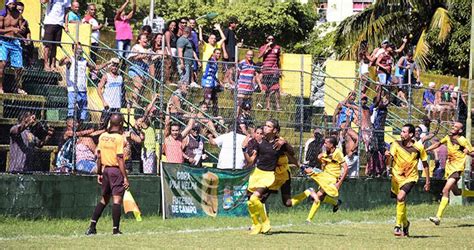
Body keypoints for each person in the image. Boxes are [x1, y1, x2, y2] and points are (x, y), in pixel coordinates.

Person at [244, 119, 294, 234]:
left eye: (268, 126)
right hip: (256, 173)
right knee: (249, 202)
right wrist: (244, 150)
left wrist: (284, 142)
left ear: (275, 130)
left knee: (254, 198)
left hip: (268, 175)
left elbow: (291, 153)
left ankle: (265, 222)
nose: (265, 128)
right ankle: (256, 225)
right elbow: (251, 160)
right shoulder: (260, 141)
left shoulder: (279, 143)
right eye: (265, 125)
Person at [85, 113, 129, 235]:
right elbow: (120, 158)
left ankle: (92, 227)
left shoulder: (103, 136)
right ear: (120, 124)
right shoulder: (120, 138)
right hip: (115, 171)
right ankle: (115, 230)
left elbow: (98, 156)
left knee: (104, 199)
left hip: (105, 170)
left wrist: (99, 172)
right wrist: (125, 177)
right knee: (117, 200)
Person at [386, 124, 430, 237]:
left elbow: (425, 164)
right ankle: (406, 224)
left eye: (404, 132)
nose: (401, 133)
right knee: (400, 201)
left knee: (400, 197)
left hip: (411, 177)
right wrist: (387, 158)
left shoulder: (419, 148)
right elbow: (389, 159)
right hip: (396, 178)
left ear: (411, 134)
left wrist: (427, 181)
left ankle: (397, 226)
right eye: (401, 131)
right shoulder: (395, 144)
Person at [426, 122, 474, 226]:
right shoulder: (448, 137)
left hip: (457, 169)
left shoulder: (463, 140)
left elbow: (472, 152)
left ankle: (438, 217)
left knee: (445, 190)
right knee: (456, 192)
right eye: (453, 126)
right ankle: (472, 193)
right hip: (449, 169)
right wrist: (427, 149)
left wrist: (467, 151)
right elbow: (438, 144)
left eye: (456, 127)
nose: (453, 127)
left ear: (460, 130)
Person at [303, 136, 347, 223]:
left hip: (332, 178)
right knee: (321, 197)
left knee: (318, 196)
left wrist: (339, 183)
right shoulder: (326, 152)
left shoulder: (338, 153)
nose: (324, 144)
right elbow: (326, 162)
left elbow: (346, 168)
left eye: (326, 143)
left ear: (332, 145)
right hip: (325, 176)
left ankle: (308, 220)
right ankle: (336, 203)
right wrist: (321, 159)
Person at [59, 43, 108, 121]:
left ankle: (80, 127)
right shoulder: (70, 59)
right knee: (72, 110)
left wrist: (108, 63)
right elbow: (61, 63)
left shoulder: (84, 61)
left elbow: (96, 67)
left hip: (83, 90)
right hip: (73, 90)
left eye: (80, 49)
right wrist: (62, 59)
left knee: (83, 113)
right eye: (77, 49)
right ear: (73, 50)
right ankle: (71, 127)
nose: (79, 51)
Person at [0, 0, 26, 94]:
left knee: (19, 68)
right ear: (6, 4)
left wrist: (21, 30)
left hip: (15, 42)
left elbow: (19, 30)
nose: (12, 6)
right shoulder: (2, 15)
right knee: (2, 65)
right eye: (10, 4)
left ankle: (18, 87)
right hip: (4, 41)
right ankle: (0, 87)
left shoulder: (18, 15)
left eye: (13, 4)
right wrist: (11, 29)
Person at [41, 0, 71, 71]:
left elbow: (67, 12)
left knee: (55, 46)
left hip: (59, 24)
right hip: (49, 23)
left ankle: (53, 65)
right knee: (47, 45)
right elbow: (42, 1)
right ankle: (46, 64)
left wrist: (66, 25)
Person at [98, 58, 123, 129]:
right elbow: (99, 88)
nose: (114, 67)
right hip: (108, 106)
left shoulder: (120, 77)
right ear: (110, 66)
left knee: (115, 127)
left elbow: (122, 91)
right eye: (113, 65)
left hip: (117, 107)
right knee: (102, 126)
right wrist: (103, 102)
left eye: (116, 66)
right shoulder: (106, 76)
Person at [127, 33, 152, 105]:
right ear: (139, 40)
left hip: (145, 69)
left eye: (146, 38)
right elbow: (135, 57)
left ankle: (137, 101)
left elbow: (150, 60)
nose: (146, 40)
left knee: (142, 88)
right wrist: (144, 55)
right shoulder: (136, 47)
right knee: (138, 85)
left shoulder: (147, 49)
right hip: (136, 68)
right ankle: (134, 102)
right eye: (143, 38)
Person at [258, 35, 282, 111]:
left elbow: (278, 59)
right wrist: (266, 48)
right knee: (266, 89)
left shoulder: (277, 47)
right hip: (266, 71)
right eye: (269, 39)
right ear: (266, 40)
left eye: (272, 39)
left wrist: (279, 69)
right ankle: (268, 106)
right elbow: (259, 56)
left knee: (276, 88)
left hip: (274, 70)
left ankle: (278, 106)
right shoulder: (263, 47)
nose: (270, 40)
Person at [201, 48, 221, 116]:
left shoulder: (215, 62)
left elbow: (213, 75)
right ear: (214, 54)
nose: (219, 55)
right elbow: (209, 63)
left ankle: (215, 115)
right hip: (207, 82)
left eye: (219, 53)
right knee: (207, 99)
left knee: (215, 99)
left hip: (212, 82)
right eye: (217, 53)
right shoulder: (211, 60)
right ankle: (201, 115)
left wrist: (219, 82)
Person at [222, 17, 240, 87]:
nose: (236, 25)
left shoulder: (233, 32)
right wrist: (224, 52)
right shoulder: (227, 31)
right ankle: (225, 83)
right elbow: (223, 41)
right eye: (235, 23)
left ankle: (230, 82)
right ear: (231, 24)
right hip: (228, 53)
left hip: (233, 54)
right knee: (227, 69)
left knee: (232, 69)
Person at [16, 2, 33, 68]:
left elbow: (28, 31)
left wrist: (28, 38)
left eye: (22, 10)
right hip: (15, 39)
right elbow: (14, 32)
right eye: (19, 9)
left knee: (30, 44)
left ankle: (29, 63)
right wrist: (23, 38)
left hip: (23, 39)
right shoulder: (11, 20)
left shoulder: (24, 21)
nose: (20, 11)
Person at [164, 20, 178, 84]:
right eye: (172, 25)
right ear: (169, 25)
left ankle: (173, 80)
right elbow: (168, 43)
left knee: (174, 66)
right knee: (168, 65)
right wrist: (170, 53)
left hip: (174, 51)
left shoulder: (174, 33)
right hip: (170, 50)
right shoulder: (168, 32)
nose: (173, 27)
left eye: (174, 25)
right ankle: (167, 80)